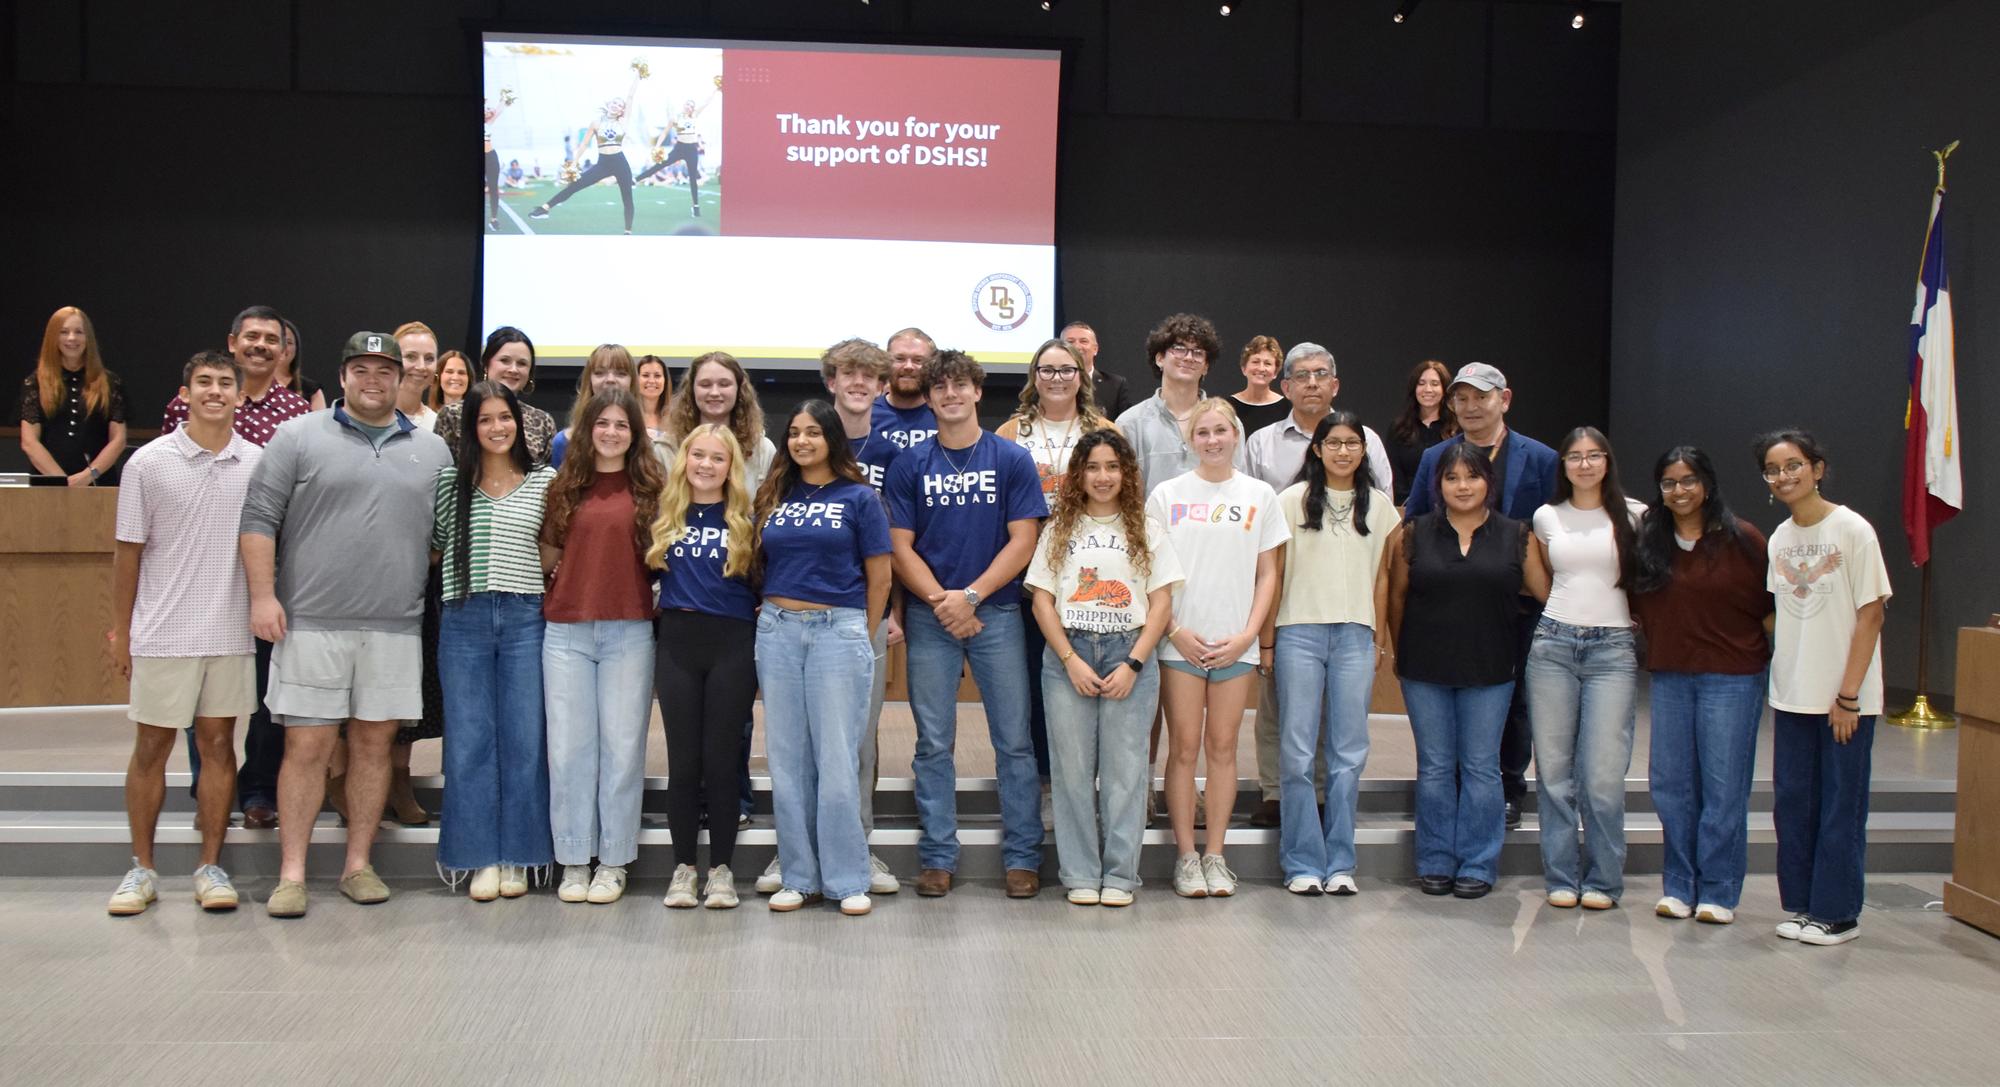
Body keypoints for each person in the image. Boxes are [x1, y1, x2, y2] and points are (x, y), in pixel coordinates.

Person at [242, 332, 454, 918]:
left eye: (384, 370)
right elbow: (259, 519)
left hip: (394, 627)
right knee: (307, 746)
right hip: (311, 623)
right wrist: (263, 596)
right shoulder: (298, 437)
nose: (373, 380)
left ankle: (358, 865)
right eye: (361, 369)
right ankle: (291, 874)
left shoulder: (433, 451)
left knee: (373, 747)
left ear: (402, 378)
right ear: (342, 376)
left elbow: (440, 540)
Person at [886, 349, 1049, 898]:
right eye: (940, 388)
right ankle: (937, 857)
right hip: (933, 617)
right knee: (933, 743)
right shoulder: (911, 464)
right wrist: (942, 601)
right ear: (928, 398)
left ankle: (1023, 856)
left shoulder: (1010, 458)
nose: (950, 395)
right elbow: (898, 545)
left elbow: (1024, 539)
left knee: (1014, 742)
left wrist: (972, 596)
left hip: (997, 613)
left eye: (960, 385)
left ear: (977, 392)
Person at [106, 351, 259, 915]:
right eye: (205, 382)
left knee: (219, 746)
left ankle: (210, 866)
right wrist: (120, 630)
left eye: (225, 383)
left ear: (240, 396)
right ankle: (140, 869)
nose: (215, 391)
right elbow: (128, 554)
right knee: (152, 747)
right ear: (185, 392)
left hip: (228, 632)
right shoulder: (148, 463)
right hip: (163, 633)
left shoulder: (258, 463)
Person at [168, 305, 312, 832]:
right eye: (251, 337)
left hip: (269, 577)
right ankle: (209, 788)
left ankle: (256, 791)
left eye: (271, 339)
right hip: (199, 577)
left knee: (262, 694)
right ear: (232, 342)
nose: (260, 346)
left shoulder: (297, 413)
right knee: (202, 695)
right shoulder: (189, 403)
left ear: (283, 350)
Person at [1387, 444, 1551, 900]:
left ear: (1488, 483)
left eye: (1472, 477)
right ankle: (1436, 860)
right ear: (1438, 484)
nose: (1462, 486)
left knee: (1481, 768)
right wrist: (1402, 653)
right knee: (1436, 767)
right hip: (1425, 667)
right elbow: (1397, 599)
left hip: (1492, 667)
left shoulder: (1518, 535)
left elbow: (1545, 596)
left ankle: (1478, 863)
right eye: (1452, 478)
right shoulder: (1415, 532)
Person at [1026, 428, 1180, 907]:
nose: (1103, 476)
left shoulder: (1146, 528)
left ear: (1126, 473)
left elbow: (1161, 605)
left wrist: (1134, 663)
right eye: (1092, 467)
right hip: (1069, 653)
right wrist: (1069, 660)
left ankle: (1119, 875)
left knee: (1126, 772)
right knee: (1071, 772)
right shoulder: (1059, 529)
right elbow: (1042, 603)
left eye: (1112, 466)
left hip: (1128, 654)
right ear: (1079, 474)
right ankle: (1079, 874)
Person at [1242, 342, 1393, 826]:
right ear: (1284, 386)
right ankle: (1275, 792)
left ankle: (1325, 795)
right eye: (1301, 375)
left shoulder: (1365, 438)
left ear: (1335, 383)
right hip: (1286, 596)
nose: (1311, 383)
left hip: (1349, 607)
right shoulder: (1262, 443)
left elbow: (1384, 523)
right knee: (1279, 710)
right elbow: (1251, 517)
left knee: (1341, 719)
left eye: (1320, 374)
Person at [1402, 362, 1559, 827]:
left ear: (1504, 399)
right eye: (1461, 399)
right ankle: (1446, 788)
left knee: (1515, 701)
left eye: (1481, 397)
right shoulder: (1437, 458)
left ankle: (1509, 784)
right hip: (1450, 604)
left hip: (1519, 604)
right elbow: (1414, 520)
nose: (1470, 407)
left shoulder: (1542, 458)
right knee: (1446, 703)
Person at [753, 400, 893, 915]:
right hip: (777, 631)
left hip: (839, 630)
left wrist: (859, 630)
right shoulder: (775, 494)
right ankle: (798, 875)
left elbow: (880, 577)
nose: (801, 441)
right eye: (794, 432)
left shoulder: (860, 497)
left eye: (813, 431)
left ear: (832, 437)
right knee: (787, 759)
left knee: (837, 758)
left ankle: (847, 877)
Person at [1148, 398, 1289, 898]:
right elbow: (1153, 571)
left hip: (1236, 644)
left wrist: (1250, 634)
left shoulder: (1259, 495)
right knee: (1184, 748)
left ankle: (1216, 854)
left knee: (1224, 749)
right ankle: (1186, 856)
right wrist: (1173, 632)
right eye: (1203, 432)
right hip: (1179, 642)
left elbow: (1269, 572)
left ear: (1236, 435)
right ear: (1192, 440)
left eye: (1220, 432)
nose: (1212, 440)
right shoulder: (1167, 494)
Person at [1758, 429, 1889, 946]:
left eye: (1793, 465)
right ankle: (1804, 905)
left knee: (1840, 804)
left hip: (1844, 699)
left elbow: (1872, 613)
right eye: (1772, 469)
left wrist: (1849, 694)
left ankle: (1838, 913)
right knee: (1794, 802)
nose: (1784, 476)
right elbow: (1779, 613)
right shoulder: (1779, 538)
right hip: (1793, 694)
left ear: (1817, 468)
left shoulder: (1852, 529)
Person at [1630, 446, 1772, 925]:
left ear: (1707, 484)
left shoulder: (1744, 539)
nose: (1679, 490)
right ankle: (1678, 886)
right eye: (1669, 482)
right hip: (1671, 675)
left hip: (1732, 678)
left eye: (1688, 480)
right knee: (1671, 786)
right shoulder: (1651, 540)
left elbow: (1771, 610)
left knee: (1722, 787)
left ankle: (1718, 890)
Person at [432, 381, 556, 901]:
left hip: (527, 616)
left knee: (525, 740)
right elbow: (439, 551)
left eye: (504, 417)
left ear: (517, 422)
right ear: (470, 429)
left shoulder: (545, 481)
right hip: (464, 618)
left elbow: (549, 554)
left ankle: (521, 857)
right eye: (485, 420)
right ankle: (478, 856)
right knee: (469, 741)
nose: (497, 428)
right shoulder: (447, 484)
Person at [1263, 412, 1396, 896]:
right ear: (1316, 450)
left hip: (1355, 636)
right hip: (1297, 631)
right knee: (1297, 753)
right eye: (1333, 443)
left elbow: (1383, 577)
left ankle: (1340, 862)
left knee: (1348, 753)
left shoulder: (1379, 506)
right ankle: (1301, 861)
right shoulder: (1289, 501)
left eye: (1352, 443)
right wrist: (1267, 640)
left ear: (1363, 450)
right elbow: (1272, 574)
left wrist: (1377, 636)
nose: (1343, 451)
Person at [538, 389, 662, 906]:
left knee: (622, 750)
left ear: (635, 434)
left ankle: (612, 861)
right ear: (586, 430)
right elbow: (549, 552)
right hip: (566, 632)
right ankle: (572, 859)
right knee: (568, 751)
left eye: (622, 425)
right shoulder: (564, 485)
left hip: (629, 633)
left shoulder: (653, 489)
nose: (611, 432)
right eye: (602, 423)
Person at [1526, 427, 1647, 910]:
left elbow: (1647, 577)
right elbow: (1542, 578)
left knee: (1601, 776)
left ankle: (1603, 881)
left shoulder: (1636, 515)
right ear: (1563, 465)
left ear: (1607, 461)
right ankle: (1560, 875)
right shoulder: (1546, 515)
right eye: (1574, 456)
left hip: (1612, 651)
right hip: (1554, 645)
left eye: (1594, 455)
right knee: (1554, 774)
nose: (1584, 464)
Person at [997, 338, 1120, 798]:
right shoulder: (1011, 433)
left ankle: (1091, 786)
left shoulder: (1104, 428)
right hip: (1026, 576)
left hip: (1087, 572)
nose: (1056, 379)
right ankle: (1045, 788)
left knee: (1085, 687)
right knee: (1034, 686)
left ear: (1081, 375)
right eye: (1046, 370)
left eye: (1066, 370)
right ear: (1034, 377)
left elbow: (1125, 498)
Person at [648, 423, 759, 910]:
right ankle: (683, 868)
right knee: (683, 761)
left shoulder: (747, 521)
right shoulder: (664, 514)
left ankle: (722, 871)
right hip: (677, 643)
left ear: (730, 467)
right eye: (699, 455)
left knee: (720, 761)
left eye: (718, 458)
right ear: (684, 459)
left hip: (731, 644)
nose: (707, 465)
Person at [812, 338, 903, 895]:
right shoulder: (804, 443)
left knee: (860, 738)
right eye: (848, 373)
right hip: (803, 615)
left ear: (882, 387)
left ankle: (860, 847)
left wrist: (893, 610)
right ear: (831, 382)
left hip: (865, 612)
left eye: (869, 375)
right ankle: (798, 849)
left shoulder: (894, 455)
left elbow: (897, 540)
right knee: (805, 740)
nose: (858, 383)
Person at [1115, 312, 1244, 496]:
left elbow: (1239, 486)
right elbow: (1123, 495)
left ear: (1206, 366)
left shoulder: (1228, 424)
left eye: (1198, 352)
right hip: (1151, 523)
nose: (1189, 357)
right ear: (1160, 358)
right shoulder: (1130, 424)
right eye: (1179, 348)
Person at [528, 67, 646, 233]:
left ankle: (628, 231)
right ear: (609, 105)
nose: (616, 105)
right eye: (614, 102)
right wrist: (574, 163)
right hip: (603, 163)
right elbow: (584, 145)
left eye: (620, 105)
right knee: (576, 185)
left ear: (622, 110)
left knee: (627, 198)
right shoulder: (596, 123)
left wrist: (638, 76)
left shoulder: (624, 121)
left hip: (620, 161)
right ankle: (544, 208)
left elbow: (630, 96)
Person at [19, 305, 126, 486]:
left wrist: (88, 475)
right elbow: (29, 442)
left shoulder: (110, 383)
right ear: (53, 337)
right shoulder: (35, 383)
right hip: (49, 486)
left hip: (98, 484)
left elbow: (118, 439)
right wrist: (63, 481)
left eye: (79, 332)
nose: (71, 338)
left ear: (88, 338)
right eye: (64, 332)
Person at [434, 327, 557, 466]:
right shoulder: (453, 415)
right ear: (486, 364)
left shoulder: (543, 422)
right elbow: (441, 472)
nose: (513, 369)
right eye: (505, 360)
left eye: (522, 363)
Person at [661, 351, 775, 487]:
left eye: (724, 384)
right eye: (705, 384)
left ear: (739, 390)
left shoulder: (763, 451)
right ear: (692, 390)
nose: (714, 392)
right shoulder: (665, 449)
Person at [634, 83, 722, 218]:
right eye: (688, 104)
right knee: (661, 165)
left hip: (692, 149)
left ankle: (696, 206)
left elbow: (706, 102)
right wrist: (657, 146)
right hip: (679, 148)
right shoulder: (675, 118)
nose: (689, 107)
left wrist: (716, 89)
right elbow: (664, 133)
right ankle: (636, 179)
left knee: (693, 177)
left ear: (693, 108)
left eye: (692, 105)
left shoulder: (694, 116)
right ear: (684, 105)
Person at [549, 343, 638, 468]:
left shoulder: (647, 444)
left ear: (632, 382)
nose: (610, 379)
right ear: (589, 381)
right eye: (600, 373)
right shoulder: (563, 442)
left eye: (621, 373)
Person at [1387, 360, 1456, 506]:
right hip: (1408, 509)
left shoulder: (1457, 428)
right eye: (1421, 383)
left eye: (1435, 384)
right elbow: (1394, 474)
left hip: (1450, 508)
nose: (1428, 389)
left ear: (1445, 389)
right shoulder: (1399, 428)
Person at [873, 327, 939, 449]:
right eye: (899, 359)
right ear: (886, 363)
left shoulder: (945, 415)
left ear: (932, 365)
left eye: (918, 360)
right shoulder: (867, 416)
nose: (908, 366)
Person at [1061, 320, 1132, 421]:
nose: (1076, 346)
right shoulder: (1050, 384)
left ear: (1095, 349)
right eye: (1070, 342)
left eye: (1083, 341)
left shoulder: (1116, 385)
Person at [1228, 334, 1291, 438]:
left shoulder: (1288, 409)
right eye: (1255, 362)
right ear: (1244, 368)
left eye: (1267, 363)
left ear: (1275, 372)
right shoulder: (1227, 407)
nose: (1261, 368)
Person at [393, 321, 441, 435]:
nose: (421, 366)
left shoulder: (438, 425)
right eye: (410, 356)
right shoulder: (370, 420)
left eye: (429, 358)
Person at [276, 318, 326, 411]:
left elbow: (319, 424)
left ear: (296, 349)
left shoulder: (311, 390)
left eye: (289, 342)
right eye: (276, 340)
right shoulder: (249, 384)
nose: (283, 346)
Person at [635, 354, 673, 454]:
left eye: (657, 376)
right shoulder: (628, 415)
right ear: (636, 380)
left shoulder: (676, 417)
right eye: (645, 375)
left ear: (665, 380)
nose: (651, 381)